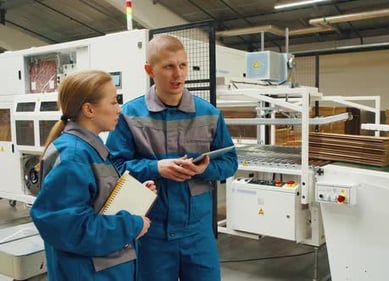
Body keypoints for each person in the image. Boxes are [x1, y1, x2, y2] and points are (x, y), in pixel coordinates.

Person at [106, 34, 238, 281]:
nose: (178, 74)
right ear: (149, 70)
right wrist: (156, 168)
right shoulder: (129, 116)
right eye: (168, 66)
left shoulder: (209, 114)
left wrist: (203, 170)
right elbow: (114, 166)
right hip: (150, 232)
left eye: (182, 65)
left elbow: (230, 162)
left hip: (198, 234)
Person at [30, 70, 154, 281]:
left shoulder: (91, 151)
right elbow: (71, 229)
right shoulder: (75, 156)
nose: (119, 109)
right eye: (113, 102)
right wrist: (132, 225)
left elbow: (96, 204)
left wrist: (135, 196)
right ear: (89, 109)